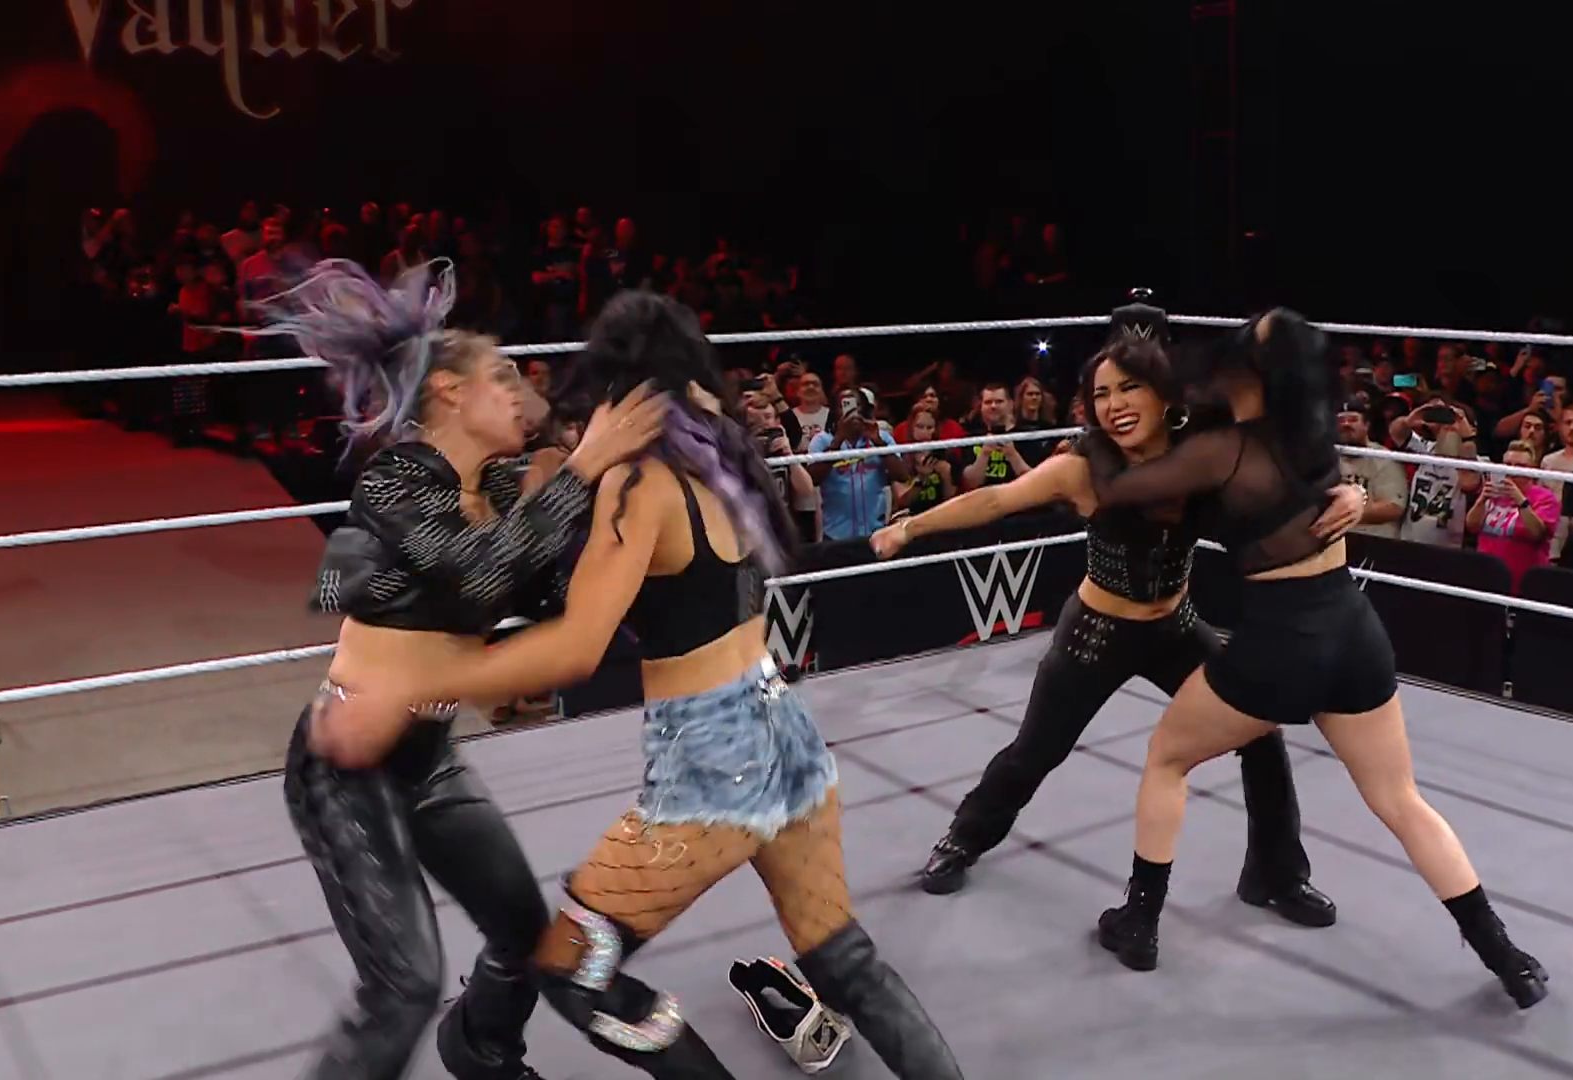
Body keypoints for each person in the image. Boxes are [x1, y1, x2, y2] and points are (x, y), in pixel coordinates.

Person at [318, 290, 964, 1080]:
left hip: (714, 764)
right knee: (842, 957)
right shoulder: (725, 461)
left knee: (571, 964)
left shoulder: (639, 484)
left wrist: (432, 680)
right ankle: (482, 1041)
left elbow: (577, 647)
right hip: (786, 733)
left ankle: (482, 1040)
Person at [251, 259, 666, 1080]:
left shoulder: (506, 484)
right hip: (347, 762)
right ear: (448, 391)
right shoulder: (393, 479)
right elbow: (475, 576)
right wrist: (578, 474)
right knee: (405, 986)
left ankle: (481, 1051)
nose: (520, 393)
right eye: (502, 377)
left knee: (524, 933)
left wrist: (615, 507)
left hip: (430, 755)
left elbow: (547, 598)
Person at [1082, 308, 1548, 1009]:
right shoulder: (1313, 438)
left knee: (1167, 758)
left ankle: (1139, 921)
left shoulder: (1224, 450)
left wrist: (1093, 446)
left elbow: (1115, 493)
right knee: (1401, 800)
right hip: (1354, 629)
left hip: (1283, 637)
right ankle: (1506, 957)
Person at [871, 301, 1355, 930]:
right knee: (1037, 750)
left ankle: (1278, 872)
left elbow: (1290, 462)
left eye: (1129, 388)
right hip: (1096, 634)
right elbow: (995, 500)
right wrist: (910, 528)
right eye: (1101, 394)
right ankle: (964, 838)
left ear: (1162, 395)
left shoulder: (1203, 451)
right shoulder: (1081, 468)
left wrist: (1351, 491)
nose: (1114, 405)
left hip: (1175, 627)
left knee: (1259, 732)